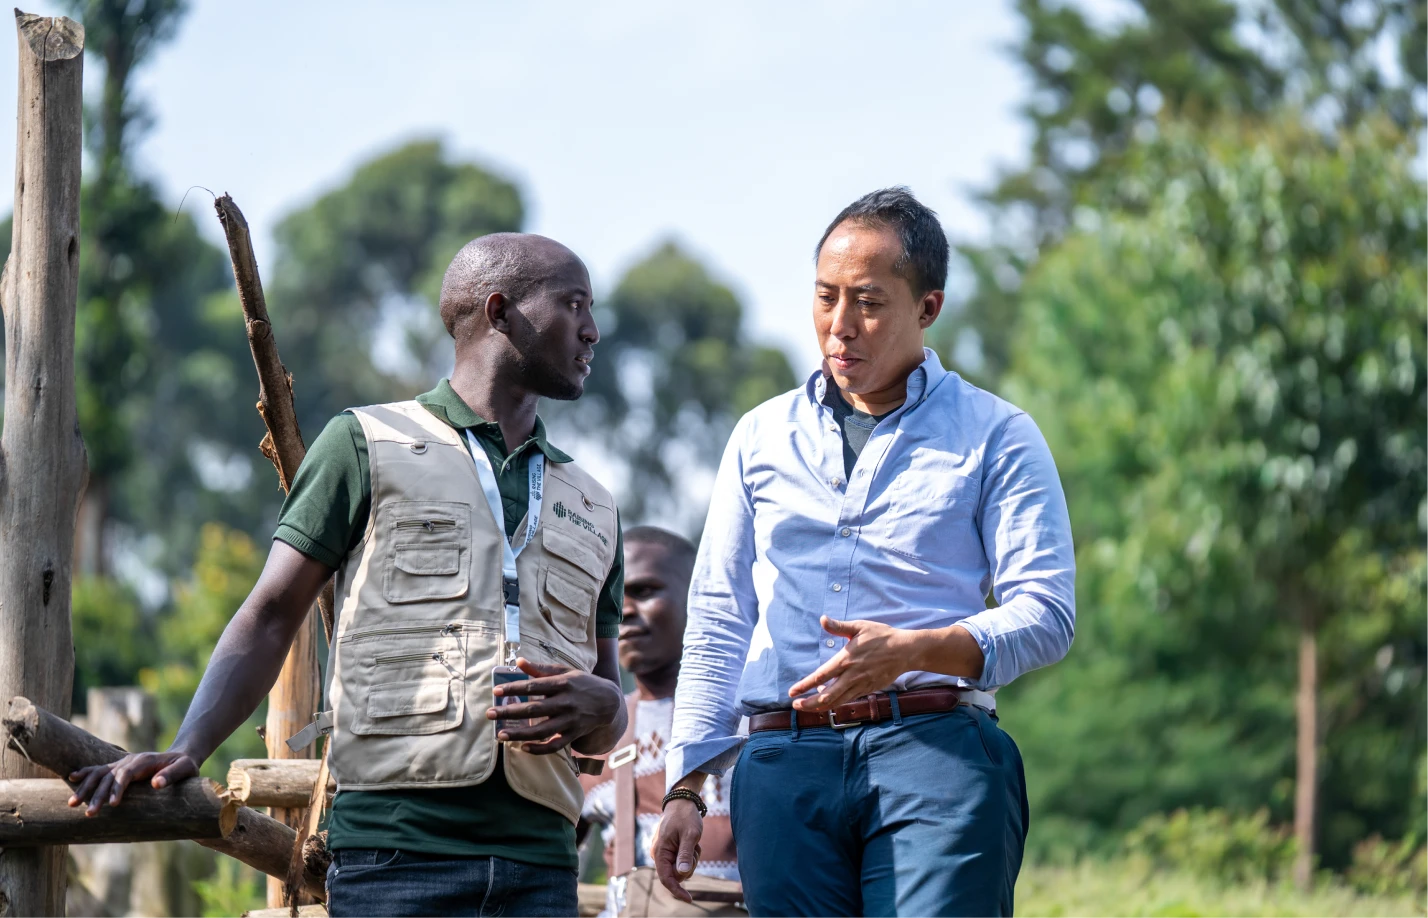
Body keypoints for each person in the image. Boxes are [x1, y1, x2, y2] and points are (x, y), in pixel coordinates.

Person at [69, 233, 630, 918]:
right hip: (394, 861)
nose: (592, 330)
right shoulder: (364, 444)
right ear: (500, 310)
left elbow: (606, 702)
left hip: (540, 870)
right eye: (573, 305)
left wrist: (609, 709)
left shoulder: (594, 503)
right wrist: (188, 746)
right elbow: (272, 613)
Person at [655, 188, 1076, 917]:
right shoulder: (759, 436)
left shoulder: (997, 435)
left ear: (929, 308)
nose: (839, 327)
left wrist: (920, 648)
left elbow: (1046, 613)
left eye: (870, 303)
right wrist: (689, 782)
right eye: (825, 297)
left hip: (937, 752)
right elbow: (722, 613)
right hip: (783, 766)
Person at [578, 526, 739, 917]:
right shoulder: (595, 732)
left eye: (645, 591)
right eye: (613, 600)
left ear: (697, 599)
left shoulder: (749, 722)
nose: (625, 610)